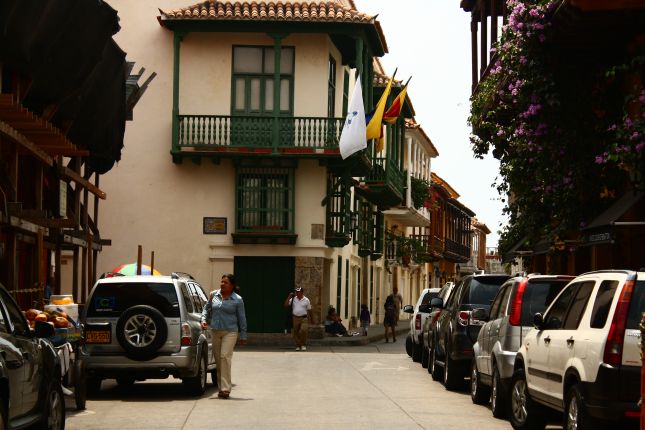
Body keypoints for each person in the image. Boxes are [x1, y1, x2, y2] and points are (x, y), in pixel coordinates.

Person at [201, 274, 247, 399]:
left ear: (232, 285)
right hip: (215, 331)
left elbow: (242, 318)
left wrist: (243, 335)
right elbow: (206, 309)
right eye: (221, 282)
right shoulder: (213, 295)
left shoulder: (238, 299)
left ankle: (226, 389)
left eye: (225, 282)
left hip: (230, 332)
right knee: (218, 360)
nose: (222, 284)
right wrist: (203, 319)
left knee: (224, 357)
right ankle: (221, 388)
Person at [283, 286, 311, 351]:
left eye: (298, 292)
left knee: (303, 330)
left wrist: (312, 319)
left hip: (304, 318)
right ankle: (298, 345)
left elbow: (309, 309)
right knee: (295, 332)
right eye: (296, 292)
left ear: (302, 292)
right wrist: (289, 296)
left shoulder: (306, 300)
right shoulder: (293, 299)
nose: (297, 293)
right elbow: (286, 305)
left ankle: (303, 344)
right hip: (295, 318)